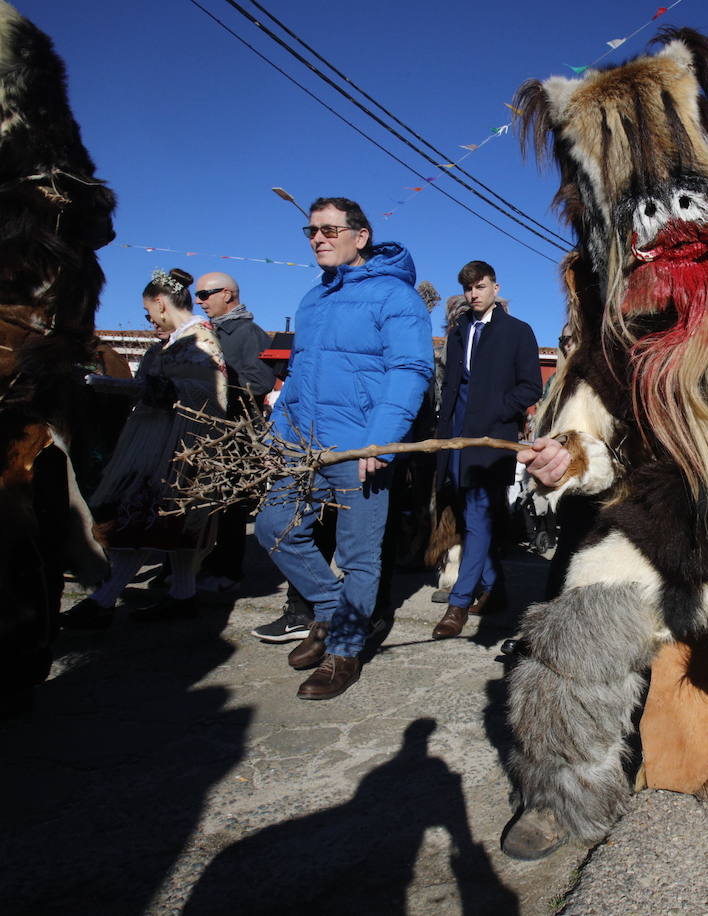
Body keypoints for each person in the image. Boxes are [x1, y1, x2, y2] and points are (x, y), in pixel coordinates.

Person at [253, 197, 432, 700]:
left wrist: (383, 438)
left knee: (359, 555)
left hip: (360, 450)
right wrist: (276, 435)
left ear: (361, 235)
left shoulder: (396, 298)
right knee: (273, 528)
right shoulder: (313, 300)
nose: (318, 238)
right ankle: (333, 615)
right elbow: (297, 376)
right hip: (302, 446)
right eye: (311, 231)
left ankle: (345, 651)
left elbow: (410, 369)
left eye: (330, 230)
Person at [61, 268, 228, 628]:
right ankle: (182, 596)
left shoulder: (201, 340)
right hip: (155, 440)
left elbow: (212, 397)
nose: (149, 318)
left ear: (160, 302)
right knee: (160, 525)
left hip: (181, 447)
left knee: (146, 522)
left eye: (148, 311)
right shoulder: (170, 343)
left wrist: (111, 385)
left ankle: (103, 601)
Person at [430, 260, 541, 640]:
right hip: (455, 440)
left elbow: (531, 388)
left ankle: (458, 603)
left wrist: (494, 411)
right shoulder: (459, 331)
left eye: (480, 287)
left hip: (491, 442)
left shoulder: (518, 332)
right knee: (469, 518)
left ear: (495, 287)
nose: (473, 294)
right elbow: (452, 387)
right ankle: (497, 589)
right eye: (468, 288)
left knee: (477, 519)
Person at [194, 272, 273, 594]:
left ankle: (227, 569)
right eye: (197, 295)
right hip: (208, 432)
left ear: (227, 294)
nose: (199, 301)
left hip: (235, 435)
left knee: (229, 506)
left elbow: (262, 382)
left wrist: (219, 383)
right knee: (204, 505)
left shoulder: (248, 333)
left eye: (205, 294)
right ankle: (199, 565)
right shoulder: (207, 333)